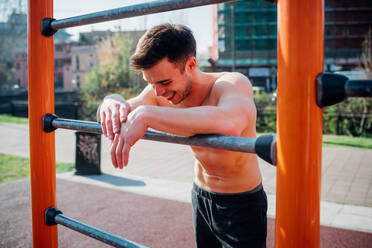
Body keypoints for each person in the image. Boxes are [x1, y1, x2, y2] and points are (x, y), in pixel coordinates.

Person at [97, 23, 267, 248]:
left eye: (165, 82)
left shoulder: (231, 84)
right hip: (201, 197)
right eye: (151, 83)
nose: (158, 93)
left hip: (241, 203)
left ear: (191, 64)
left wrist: (148, 114)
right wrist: (110, 100)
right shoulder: (160, 91)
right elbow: (124, 111)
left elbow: (230, 122)